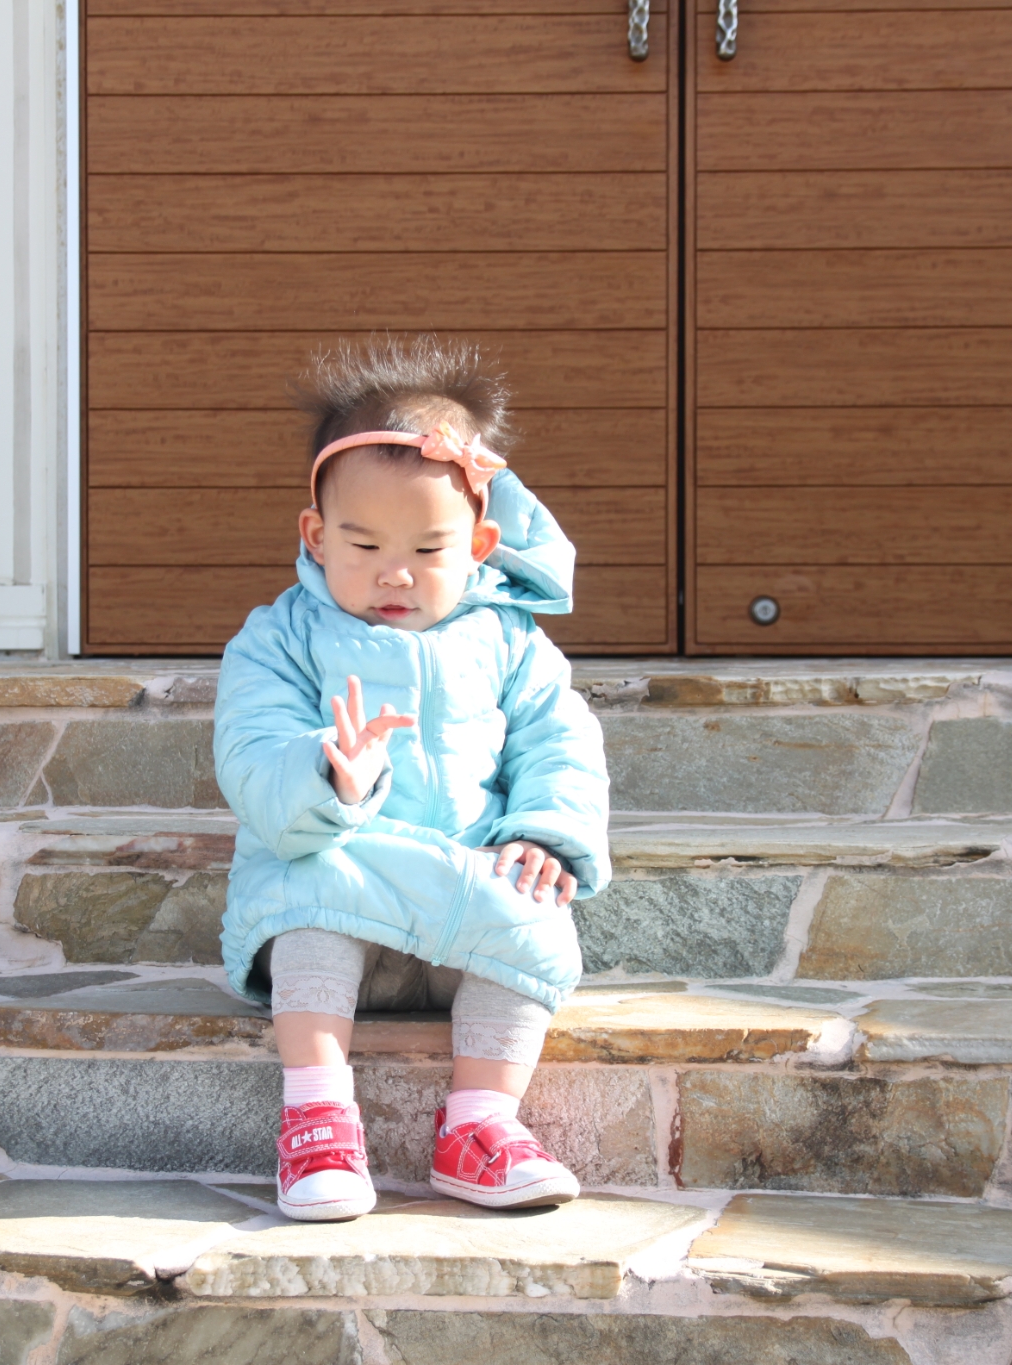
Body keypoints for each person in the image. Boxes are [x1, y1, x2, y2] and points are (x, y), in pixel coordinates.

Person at [214, 335, 611, 1222]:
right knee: (306, 898)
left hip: (465, 888)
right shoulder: (281, 637)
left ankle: (481, 1123)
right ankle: (317, 1117)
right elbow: (251, 749)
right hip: (350, 866)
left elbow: (560, 740)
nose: (395, 572)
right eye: (363, 543)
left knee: (535, 917)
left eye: (430, 549)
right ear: (317, 535)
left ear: (480, 544)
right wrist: (330, 775)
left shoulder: (510, 641)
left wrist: (543, 830)